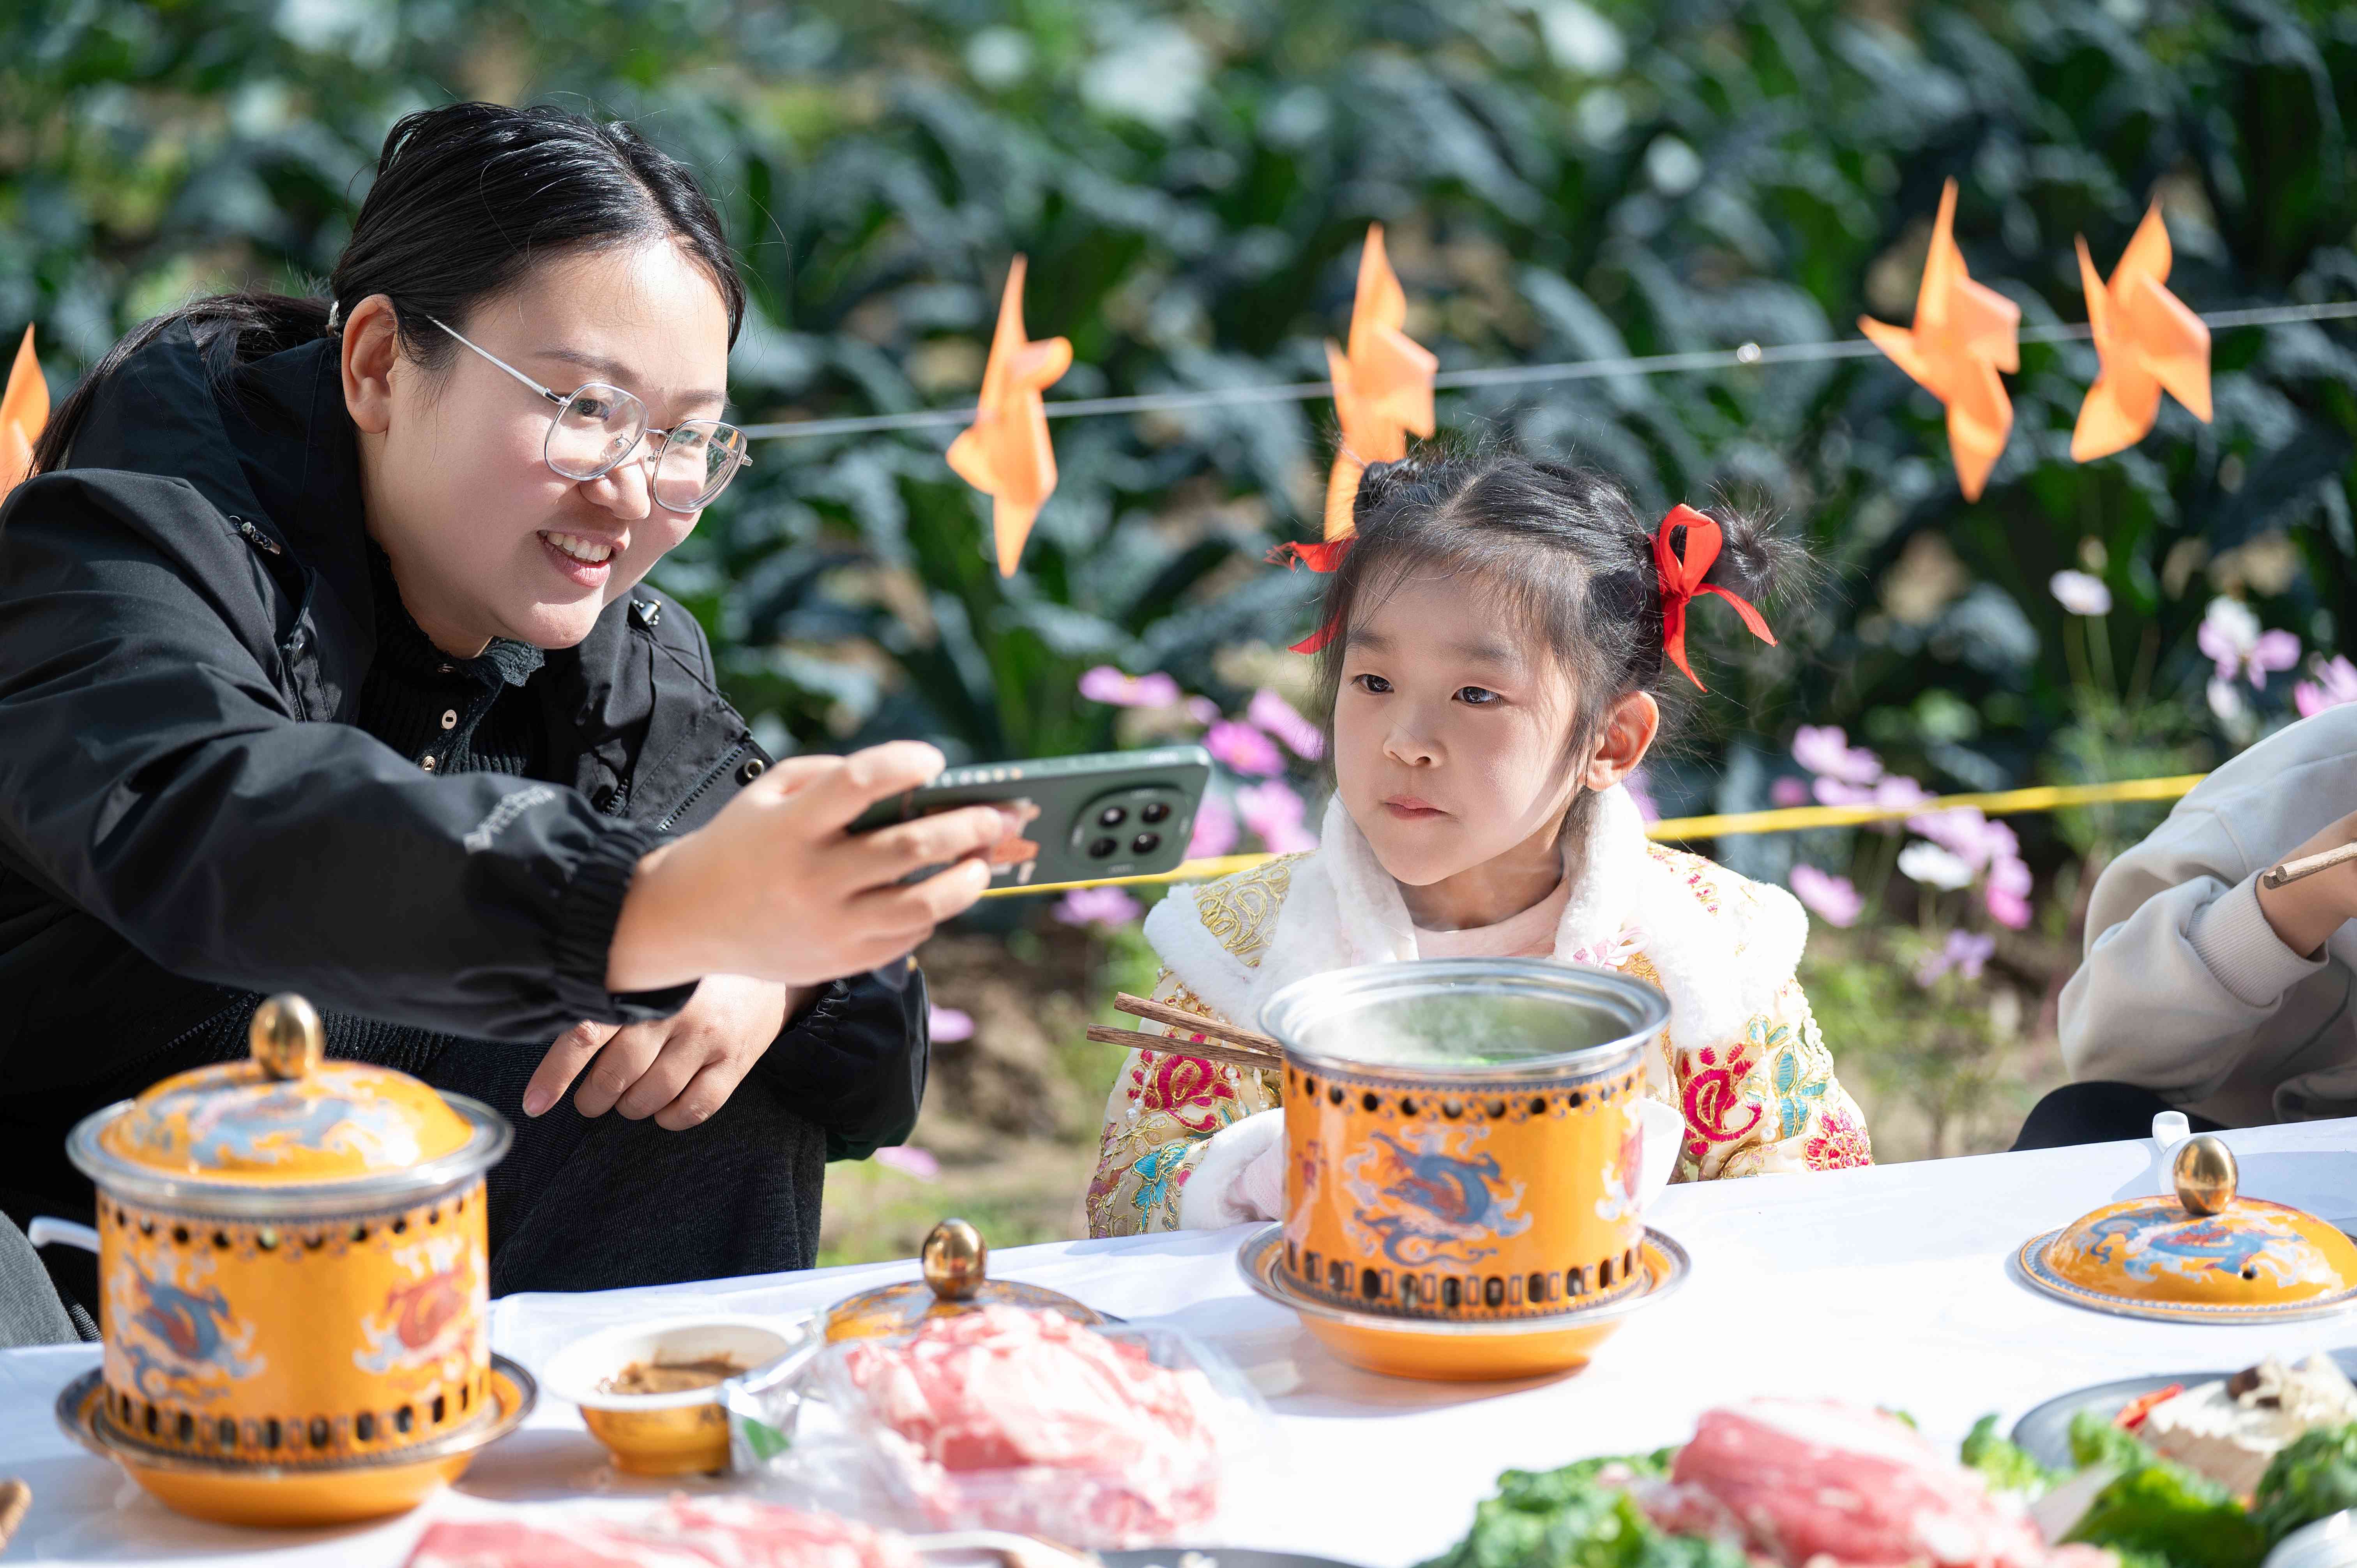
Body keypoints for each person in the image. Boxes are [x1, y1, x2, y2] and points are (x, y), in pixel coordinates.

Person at [0, 102, 1028, 1311]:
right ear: (380, 363)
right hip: (61, 1253)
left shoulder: (614, 658)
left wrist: (777, 974)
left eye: (689, 436)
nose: (636, 491)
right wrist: (646, 911)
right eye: (586, 408)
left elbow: (873, 1061)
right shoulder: (115, 562)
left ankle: (631, 1476)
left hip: (363, 1281)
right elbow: (226, 824)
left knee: (712, 1062)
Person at [1085, 452, 1871, 1238]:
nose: (1407, 741)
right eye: (1373, 682)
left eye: (1476, 694)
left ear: (1613, 738)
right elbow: (1126, 1199)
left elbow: (1815, 1195)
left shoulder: (1709, 952)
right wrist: (1260, 1170)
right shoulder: (1237, 949)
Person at [2033, 701, 2357, 1148]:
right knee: (2081, 1128)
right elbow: (2108, 1059)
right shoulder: (2287, 799)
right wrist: (2298, 903)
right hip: (2234, 1163)